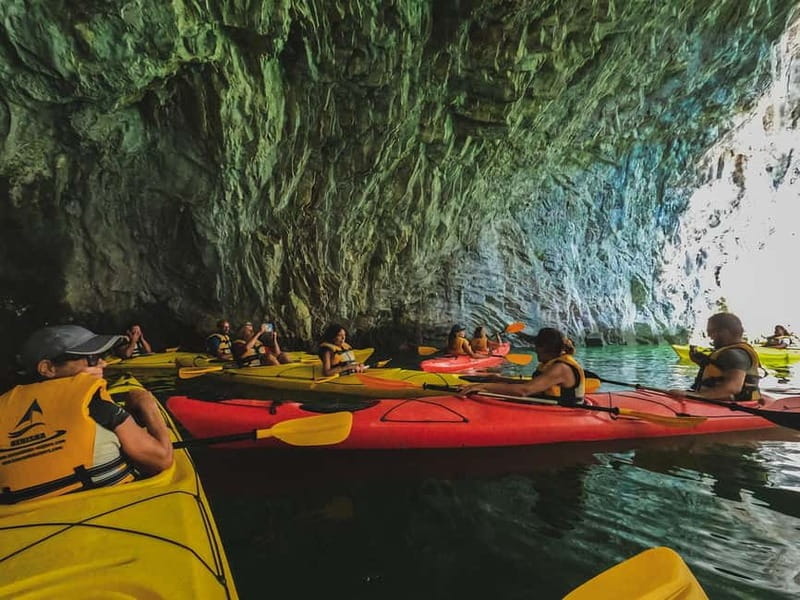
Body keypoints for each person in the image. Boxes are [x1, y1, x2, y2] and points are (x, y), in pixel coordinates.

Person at [0, 325, 173, 504]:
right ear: (48, 368)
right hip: (112, 507)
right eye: (92, 359)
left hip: (27, 518)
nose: (103, 363)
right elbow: (162, 458)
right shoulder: (97, 406)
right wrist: (147, 404)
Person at [458, 327, 585, 404]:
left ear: (545, 348)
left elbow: (524, 390)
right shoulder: (553, 362)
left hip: (565, 412)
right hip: (547, 405)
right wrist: (500, 379)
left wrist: (484, 386)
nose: (535, 350)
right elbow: (535, 384)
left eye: (537, 347)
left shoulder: (561, 368)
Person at [671, 312, 761, 402]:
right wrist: (702, 362)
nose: (709, 335)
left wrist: (693, 395)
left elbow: (733, 388)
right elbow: (722, 370)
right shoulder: (731, 352)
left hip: (731, 406)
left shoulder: (734, 354)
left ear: (725, 332)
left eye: (711, 331)